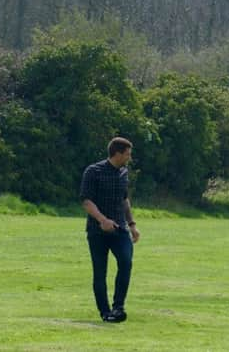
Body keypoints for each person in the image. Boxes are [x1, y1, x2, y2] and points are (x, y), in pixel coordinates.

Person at [79, 137, 140, 323]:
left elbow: (124, 199)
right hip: (97, 230)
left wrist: (132, 225)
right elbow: (86, 201)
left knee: (126, 261)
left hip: (120, 228)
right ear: (118, 153)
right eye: (127, 154)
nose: (129, 158)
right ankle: (105, 312)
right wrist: (102, 220)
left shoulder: (123, 172)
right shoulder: (93, 171)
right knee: (100, 272)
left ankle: (118, 307)